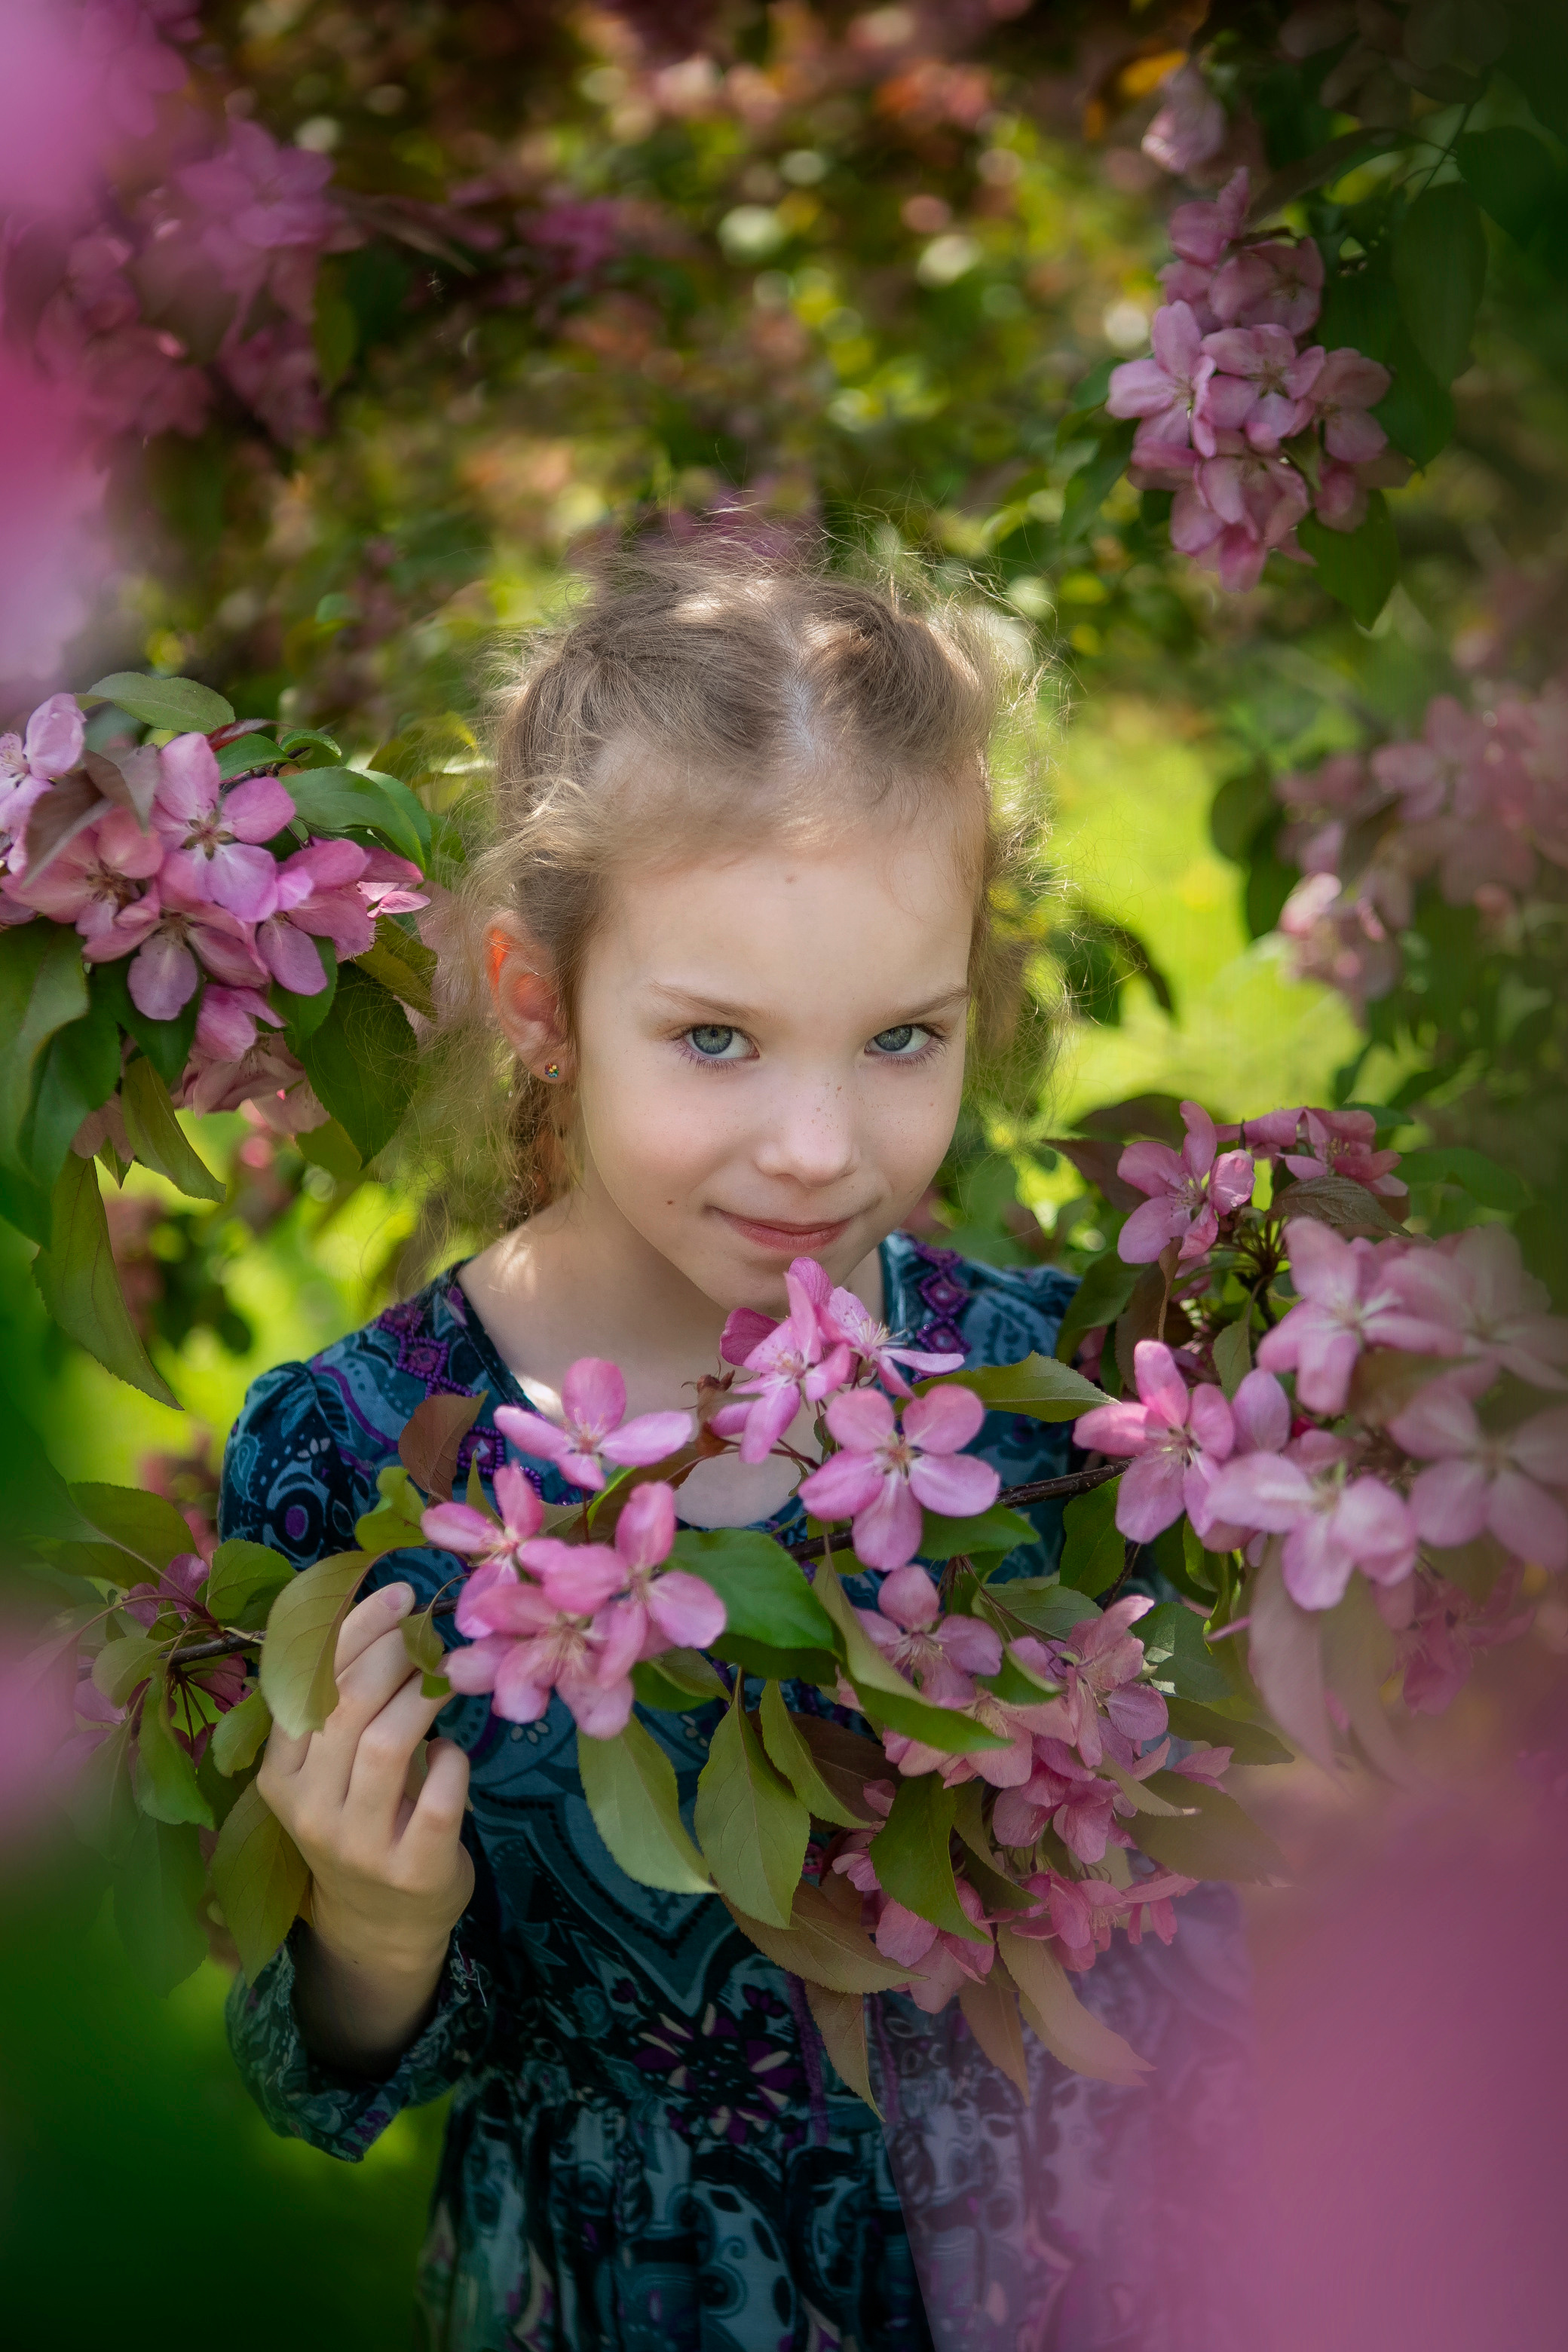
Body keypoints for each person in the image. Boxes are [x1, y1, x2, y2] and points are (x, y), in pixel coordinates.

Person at [221, 551, 1257, 2352]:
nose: (813, 1147)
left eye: (897, 1039)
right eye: (713, 1038)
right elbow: (316, 2086)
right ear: (538, 1001)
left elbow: (1190, 1917)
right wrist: (375, 1937)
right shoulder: (363, 1461)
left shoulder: (1059, 1402)